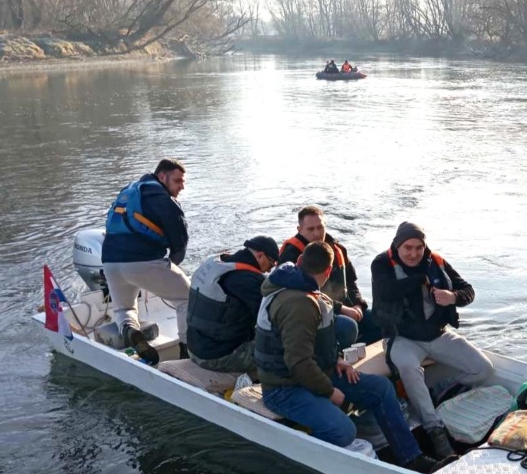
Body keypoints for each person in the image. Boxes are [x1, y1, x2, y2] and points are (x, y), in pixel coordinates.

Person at [254, 241, 441, 473]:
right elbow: (298, 362)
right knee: (342, 430)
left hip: (314, 373)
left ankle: (411, 458)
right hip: (283, 388)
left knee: (380, 388)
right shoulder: (298, 304)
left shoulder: (303, 286)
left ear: (301, 262)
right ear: (328, 271)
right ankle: (306, 463)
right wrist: (330, 392)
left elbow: (311, 345)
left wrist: (336, 360)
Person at [371, 222, 493, 458]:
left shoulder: (436, 261)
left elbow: (468, 290)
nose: (414, 253)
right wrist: (419, 279)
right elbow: (386, 291)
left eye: (418, 247)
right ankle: (434, 428)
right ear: (398, 246)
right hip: (402, 337)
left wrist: (453, 297)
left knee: (483, 369)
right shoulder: (382, 264)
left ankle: (435, 394)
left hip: (438, 334)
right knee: (407, 367)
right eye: (408, 247)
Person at [102, 158, 190, 365]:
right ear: (162, 176)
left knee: (124, 309)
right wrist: (171, 265)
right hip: (143, 261)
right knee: (187, 299)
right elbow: (180, 242)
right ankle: (188, 351)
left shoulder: (130, 190)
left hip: (110, 261)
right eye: (178, 181)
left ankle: (131, 331)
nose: (182, 186)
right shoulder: (162, 198)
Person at [278, 205, 380, 345]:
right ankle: (333, 358)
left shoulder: (337, 249)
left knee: (380, 319)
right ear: (299, 230)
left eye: (320, 227)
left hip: (344, 309)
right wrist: (341, 309)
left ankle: (352, 352)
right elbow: (297, 296)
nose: (316, 233)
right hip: (313, 313)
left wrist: (357, 305)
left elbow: (351, 283)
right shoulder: (291, 256)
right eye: (311, 229)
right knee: (348, 327)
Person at [185, 235, 279, 374]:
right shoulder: (249, 280)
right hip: (218, 357)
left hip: (194, 348)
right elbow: (272, 320)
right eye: (271, 264)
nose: (268, 271)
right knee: (286, 353)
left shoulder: (218, 265)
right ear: (260, 256)